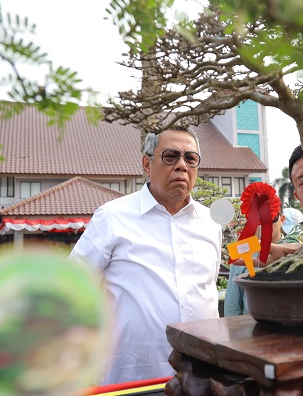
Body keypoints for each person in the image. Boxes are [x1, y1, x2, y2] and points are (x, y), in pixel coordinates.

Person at [68, 126, 221, 385]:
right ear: (147, 164)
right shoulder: (112, 217)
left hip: (202, 377)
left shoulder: (211, 222)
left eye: (190, 158)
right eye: (171, 156)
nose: (182, 166)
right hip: (133, 377)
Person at [223, 206, 290, 316]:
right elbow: (232, 306)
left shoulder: (294, 251)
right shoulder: (242, 254)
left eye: (271, 216)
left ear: (282, 219)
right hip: (249, 329)